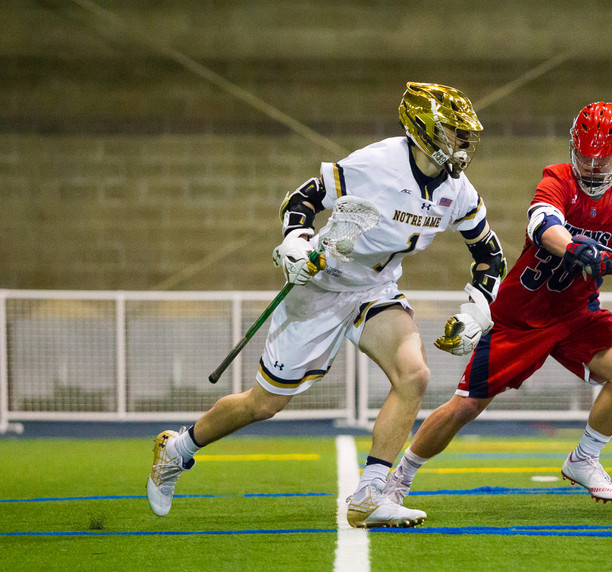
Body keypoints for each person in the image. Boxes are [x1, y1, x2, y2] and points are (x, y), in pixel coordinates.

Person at [146, 82, 507, 529]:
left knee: (413, 373)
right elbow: (303, 199)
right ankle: (178, 448)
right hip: (321, 282)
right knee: (263, 404)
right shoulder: (377, 163)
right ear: (424, 130)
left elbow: (489, 256)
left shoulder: (459, 191)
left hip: (373, 288)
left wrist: (476, 310)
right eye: (453, 132)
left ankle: (370, 495)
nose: (462, 143)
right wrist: (296, 243)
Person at [384, 102, 612, 510]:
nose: (594, 168)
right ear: (572, 148)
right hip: (520, 317)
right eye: (585, 157)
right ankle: (398, 479)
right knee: (466, 405)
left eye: (605, 159)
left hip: (578, 313)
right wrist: (581, 250)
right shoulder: (557, 177)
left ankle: (585, 458)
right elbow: (543, 226)